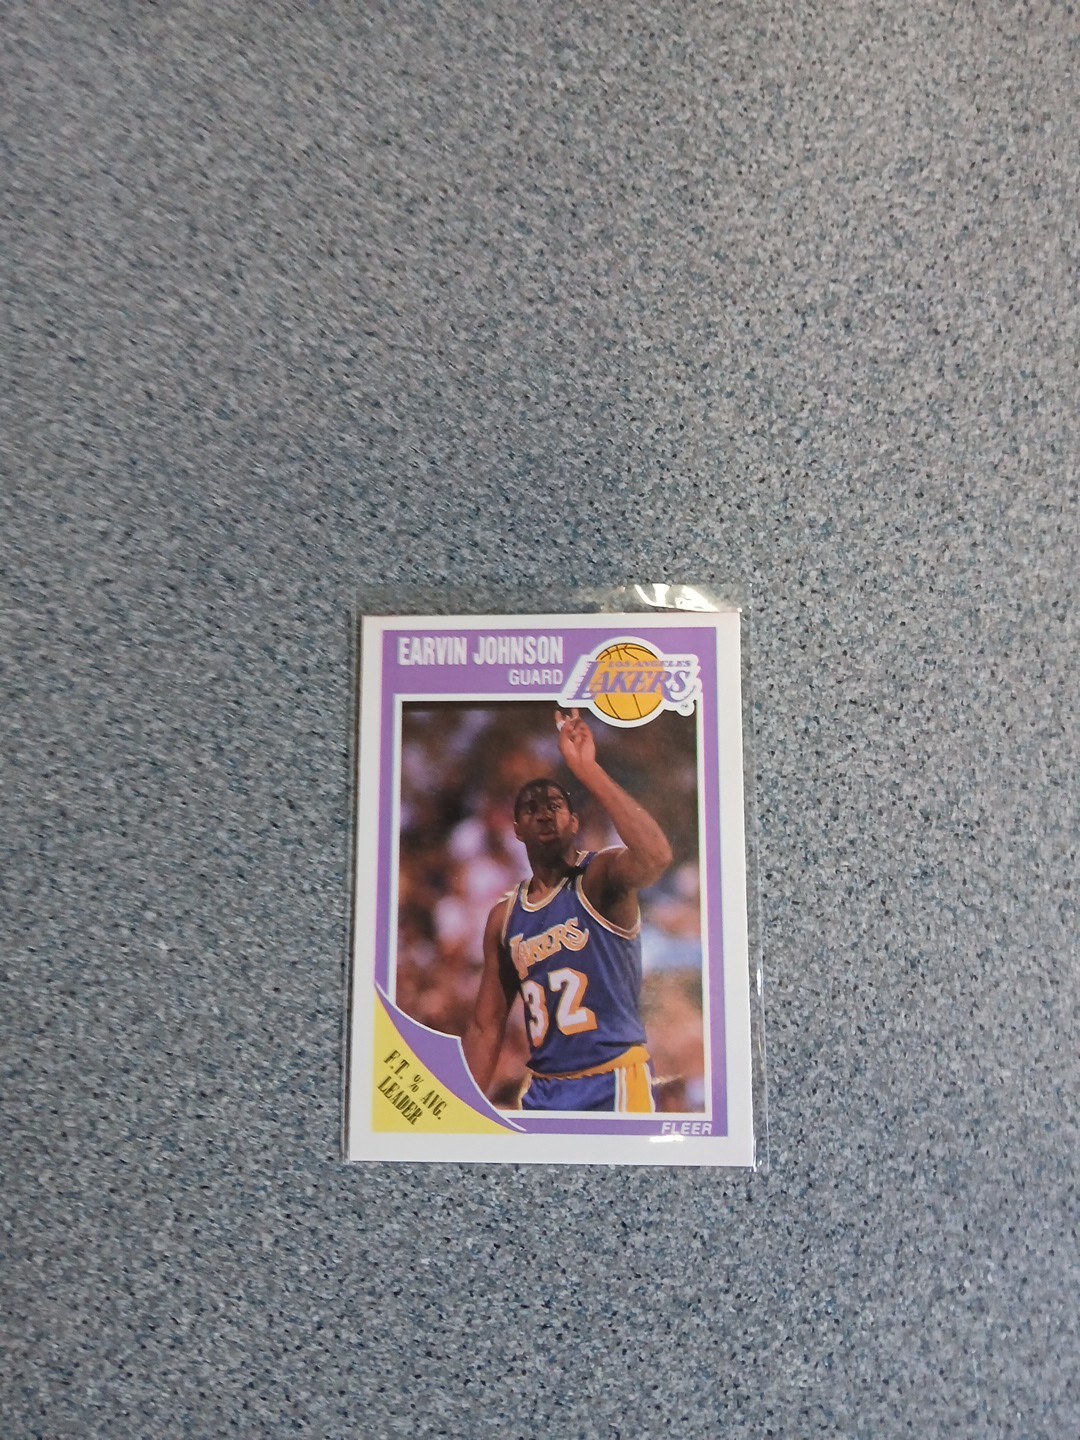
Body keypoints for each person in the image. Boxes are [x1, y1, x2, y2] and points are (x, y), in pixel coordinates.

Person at [462, 708, 673, 1112]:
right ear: (516, 830)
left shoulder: (599, 876)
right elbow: (485, 1027)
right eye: (531, 807)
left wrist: (587, 770)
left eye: (555, 804)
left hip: (613, 1079)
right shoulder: (504, 918)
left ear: (574, 822)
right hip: (544, 1090)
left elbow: (656, 856)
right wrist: (461, 1108)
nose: (544, 812)